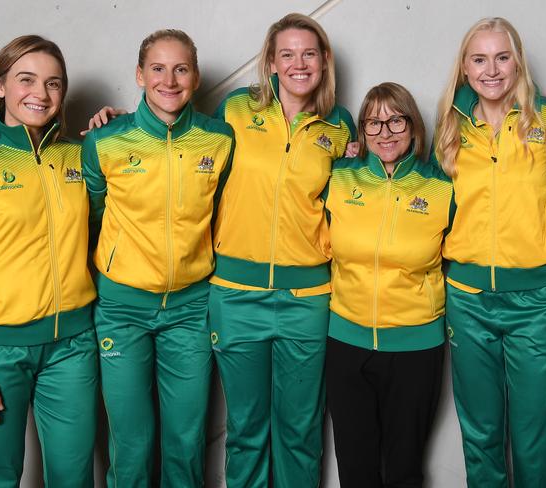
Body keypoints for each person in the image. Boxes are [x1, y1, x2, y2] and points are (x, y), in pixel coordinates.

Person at [208, 13, 355, 487]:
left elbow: (362, 197)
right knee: (247, 430)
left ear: (324, 60)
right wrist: (117, 120)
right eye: (286, 54)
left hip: (308, 299)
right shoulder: (235, 109)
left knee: (300, 431)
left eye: (309, 53)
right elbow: (182, 146)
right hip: (235, 294)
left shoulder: (340, 127)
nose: (298, 63)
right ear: (271, 61)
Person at [82, 29, 233, 487]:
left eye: (181, 68)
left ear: (196, 76)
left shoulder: (219, 139)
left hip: (189, 309)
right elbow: (91, 215)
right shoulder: (105, 141)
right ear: (140, 75)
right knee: (131, 442)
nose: (170, 80)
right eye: (158, 68)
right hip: (122, 309)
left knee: (186, 442)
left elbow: (224, 211)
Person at [431, 17, 546, 487]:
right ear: (466, 69)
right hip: (468, 300)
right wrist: (358, 155)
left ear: (518, 62)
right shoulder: (451, 126)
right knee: (481, 434)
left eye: (502, 56)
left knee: (534, 435)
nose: (492, 69)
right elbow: (421, 195)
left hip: (536, 302)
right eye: (480, 59)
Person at [0, 35, 97, 487]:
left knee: (73, 477)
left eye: (53, 83)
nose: (40, 94)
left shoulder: (79, 155)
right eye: (27, 80)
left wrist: (121, 126)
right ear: (0, 84)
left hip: (74, 346)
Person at [324, 82, 453, 488]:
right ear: (361, 131)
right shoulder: (339, 178)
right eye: (374, 123)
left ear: (413, 126)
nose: (385, 131)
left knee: (404, 471)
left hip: (416, 349)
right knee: (357, 471)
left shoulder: (443, 186)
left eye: (395, 119)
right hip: (347, 343)